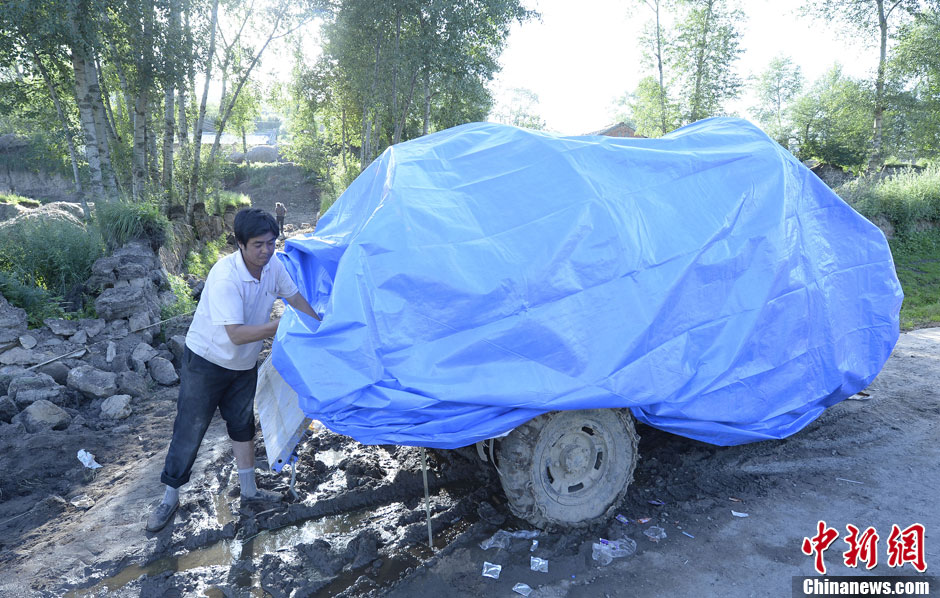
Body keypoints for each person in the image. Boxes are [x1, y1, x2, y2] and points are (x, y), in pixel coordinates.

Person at [146, 207, 320, 533]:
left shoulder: (274, 266)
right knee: (190, 428)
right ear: (240, 243)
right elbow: (236, 334)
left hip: (243, 364)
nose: (266, 250)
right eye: (258, 244)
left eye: (271, 242)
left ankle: (250, 491)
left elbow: (295, 299)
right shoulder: (226, 276)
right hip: (207, 363)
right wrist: (280, 326)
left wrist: (319, 326)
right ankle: (169, 496)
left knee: (242, 425)